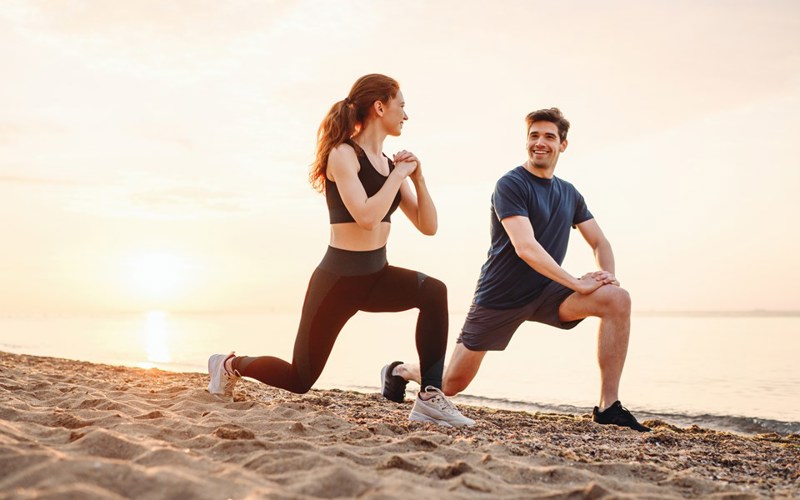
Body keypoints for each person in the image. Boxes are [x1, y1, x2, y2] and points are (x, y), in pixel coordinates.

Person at [207, 74, 474, 428]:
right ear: (380, 107)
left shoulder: (390, 166)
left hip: (377, 276)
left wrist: (417, 178)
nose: (406, 116)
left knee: (434, 292)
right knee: (300, 379)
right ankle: (228, 365)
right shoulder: (343, 154)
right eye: (402, 106)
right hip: (337, 282)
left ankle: (429, 397)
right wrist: (397, 177)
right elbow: (365, 216)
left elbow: (428, 226)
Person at [382, 107, 650, 432]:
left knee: (617, 298)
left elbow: (600, 242)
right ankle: (400, 371)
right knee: (451, 383)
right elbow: (526, 248)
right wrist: (577, 283)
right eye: (534, 135)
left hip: (548, 291)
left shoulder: (569, 193)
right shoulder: (511, 184)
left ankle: (609, 407)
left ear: (562, 145)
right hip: (501, 295)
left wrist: (607, 276)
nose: (540, 142)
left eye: (549, 136)